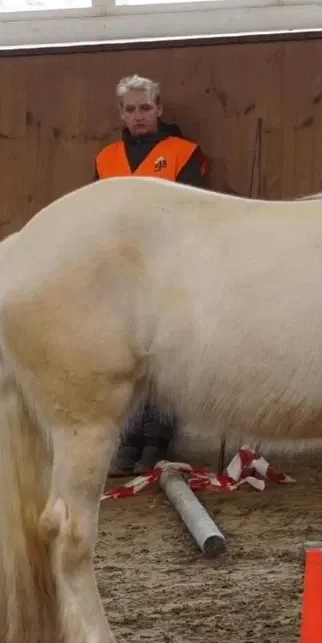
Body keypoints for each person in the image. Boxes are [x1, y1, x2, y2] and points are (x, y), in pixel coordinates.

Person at [94, 74, 211, 475]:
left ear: (159, 109)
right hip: (121, 271)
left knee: (162, 354)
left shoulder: (184, 154)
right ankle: (128, 440)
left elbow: (194, 213)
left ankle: (156, 442)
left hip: (167, 269)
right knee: (124, 354)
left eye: (146, 108)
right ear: (122, 114)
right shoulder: (105, 160)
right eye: (131, 109)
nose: (139, 115)